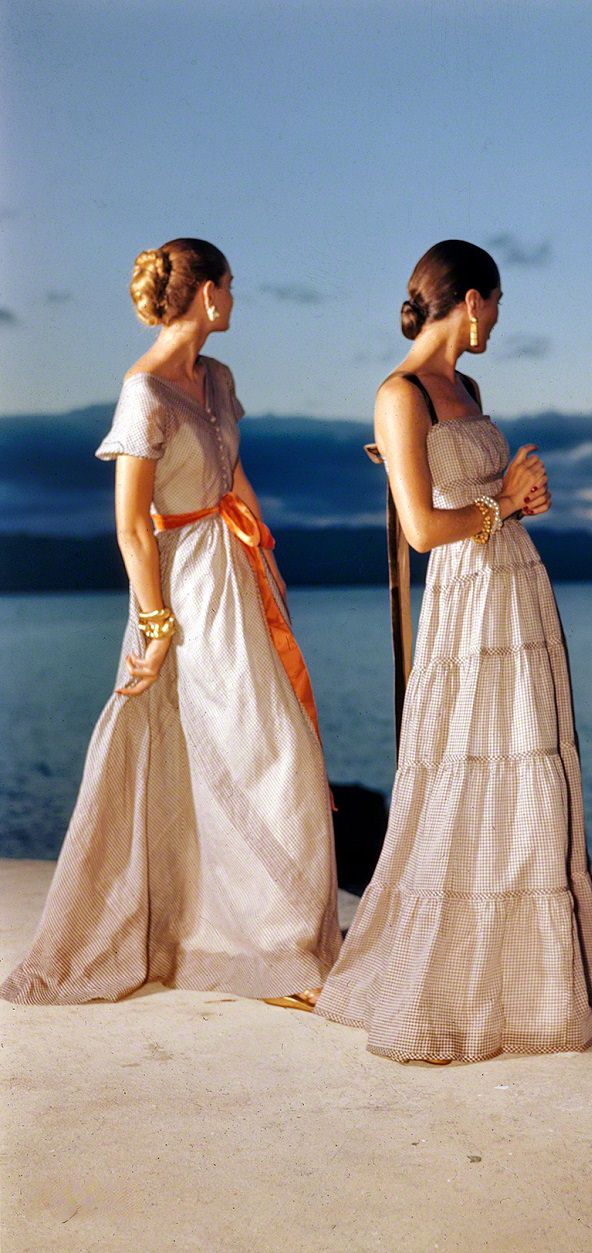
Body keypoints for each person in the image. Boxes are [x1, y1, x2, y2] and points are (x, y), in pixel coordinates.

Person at [1, 238, 339, 1007]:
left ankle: (275, 946)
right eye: (232, 286)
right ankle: (267, 954)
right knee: (243, 755)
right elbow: (130, 526)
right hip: (184, 586)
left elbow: (237, 477)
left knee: (272, 748)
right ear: (210, 294)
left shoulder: (217, 378)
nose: (235, 300)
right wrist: (156, 626)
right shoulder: (144, 392)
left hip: (237, 570)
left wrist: (272, 566)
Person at [315, 240, 592, 1061]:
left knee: (530, 775)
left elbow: (487, 504)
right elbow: (420, 530)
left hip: (517, 592)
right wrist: (502, 505)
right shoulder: (400, 394)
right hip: (463, 605)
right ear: (474, 300)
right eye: (499, 304)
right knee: (464, 770)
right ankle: (448, 982)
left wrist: (520, 500)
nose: (498, 321)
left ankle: (530, 988)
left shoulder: (470, 389)